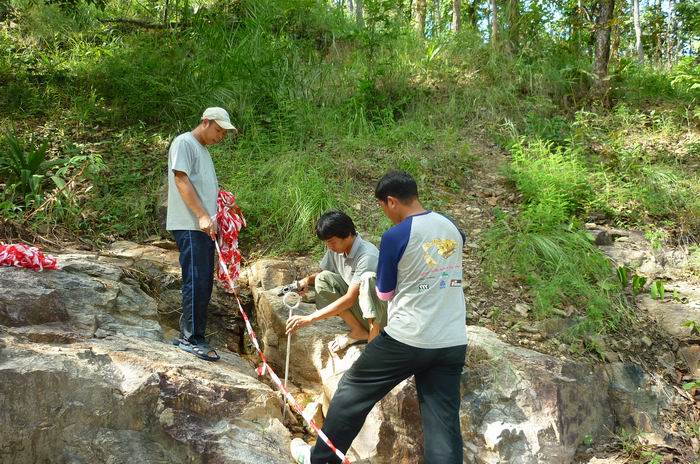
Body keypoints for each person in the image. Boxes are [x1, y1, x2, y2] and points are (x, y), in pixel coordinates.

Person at [290, 171, 468, 464]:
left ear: (392, 201)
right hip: (452, 340)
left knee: (352, 392)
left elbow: (384, 292)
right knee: (442, 422)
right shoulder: (451, 226)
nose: (384, 212)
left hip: (408, 337)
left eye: (382, 206)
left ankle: (320, 459)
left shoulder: (396, 235)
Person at [167, 107, 236, 362]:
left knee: (203, 281)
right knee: (196, 280)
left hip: (203, 226)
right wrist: (202, 215)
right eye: (218, 130)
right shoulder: (184, 142)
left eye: (224, 133)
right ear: (205, 122)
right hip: (191, 225)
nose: (220, 136)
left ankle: (191, 334)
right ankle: (192, 339)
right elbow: (181, 180)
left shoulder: (202, 150)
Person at [286, 210, 388, 352]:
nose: (329, 247)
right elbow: (323, 275)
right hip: (361, 308)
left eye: (331, 242)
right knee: (322, 279)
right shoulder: (337, 250)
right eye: (327, 243)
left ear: (347, 235)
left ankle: (373, 338)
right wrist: (305, 281)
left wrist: (310, 318)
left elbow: (350, 299)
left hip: (380, 317)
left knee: (367, 279)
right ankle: (358, 330)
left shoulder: (367, 256)